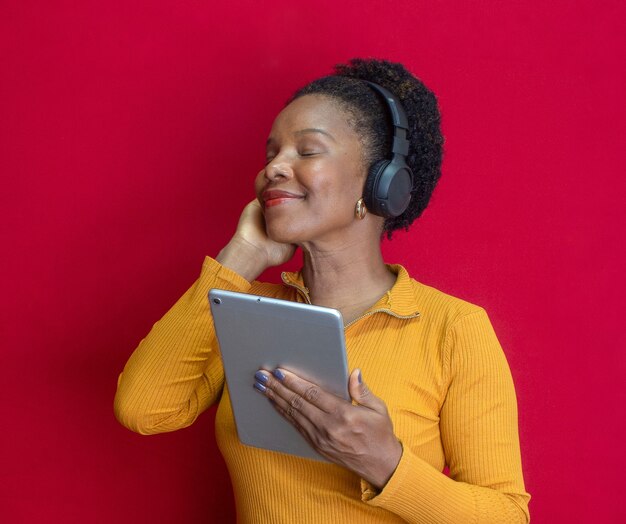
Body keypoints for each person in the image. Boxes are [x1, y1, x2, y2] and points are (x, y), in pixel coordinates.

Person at [114, 58, 530, 523]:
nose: (274, 167)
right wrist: (239, 259)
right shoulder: (245, 311)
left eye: (306, 151)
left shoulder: (453, 328)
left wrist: (386, 463)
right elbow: (143, 409)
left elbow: (506, 515)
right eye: (271, 153)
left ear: (380, 182)